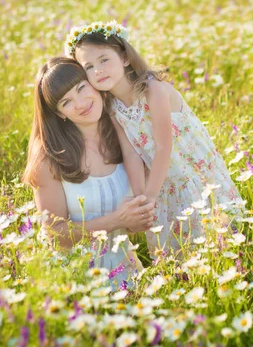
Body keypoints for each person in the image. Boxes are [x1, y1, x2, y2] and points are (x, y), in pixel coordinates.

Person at [65, 21, 243, 256]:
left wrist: (150, 195)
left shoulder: (153, 90)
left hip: (192, 173)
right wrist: (142, 199)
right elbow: (131, 153)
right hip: (162, 182)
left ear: (125, 58)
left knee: (213, 235)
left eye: (104, 60)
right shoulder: (112, 107)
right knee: (178, 248)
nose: (97, 70)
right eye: (88, 66)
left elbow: (163, 147)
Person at [21, 57, 155, 286]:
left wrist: (137, 219)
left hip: (127, 274)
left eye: (82, 88)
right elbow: (55, 235)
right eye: (66, 102)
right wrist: (116, 220)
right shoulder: (49, 157)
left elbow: (134, 222)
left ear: (94, 82)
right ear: (60, 113)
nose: (81, 103)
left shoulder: (126, 134)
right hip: (75, 277)